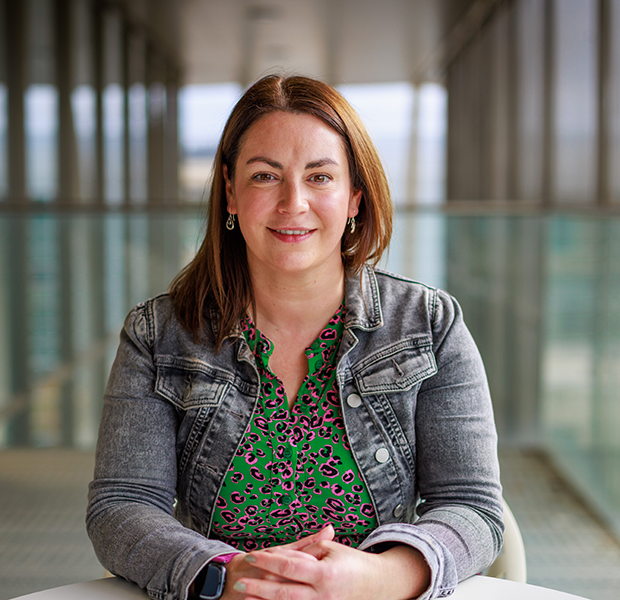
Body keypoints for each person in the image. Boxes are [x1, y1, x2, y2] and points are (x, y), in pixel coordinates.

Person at [87, 74, 503, 600]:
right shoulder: (157, 335)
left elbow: (473, 508)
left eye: (320, 177)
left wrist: (378, 579)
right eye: (265, 176)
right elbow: (121, 506)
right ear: (230, 191)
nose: (293, 202)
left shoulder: (430, 325)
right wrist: (221, 574)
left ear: (356, 196)